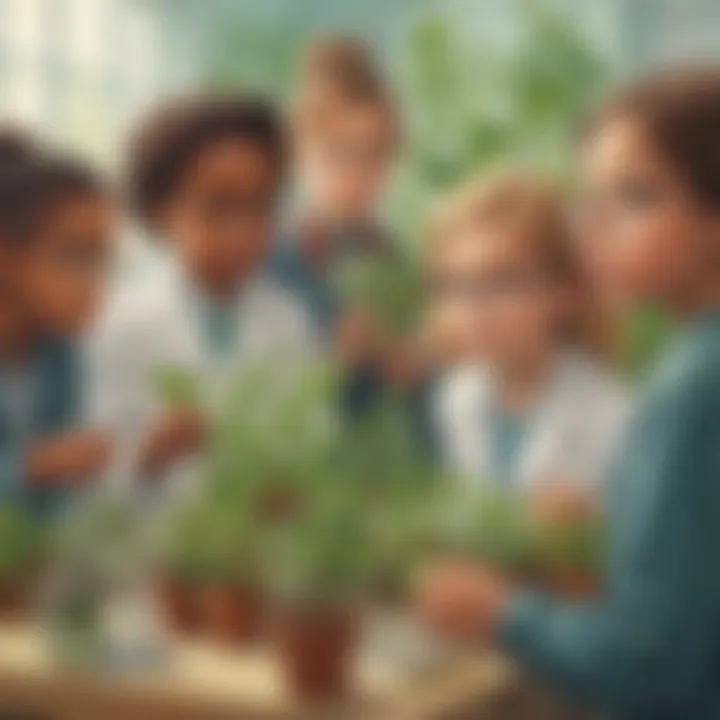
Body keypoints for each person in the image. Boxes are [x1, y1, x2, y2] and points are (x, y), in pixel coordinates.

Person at [417, 67, 720, 719]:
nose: (594, 226)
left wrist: (499, 609)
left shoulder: (689, 392)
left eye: (637, 196)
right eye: (594, 198)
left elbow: (651, 662)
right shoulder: (691, 365)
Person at [90, 94, 317, 497]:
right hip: (147, 543)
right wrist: (151, 448)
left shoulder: (288, 318)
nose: (243, 231)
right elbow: (85, 465)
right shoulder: (118, 321)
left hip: (260, 542)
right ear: (160, 211)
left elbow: (313, 434)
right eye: (219, 209)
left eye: (260, 207)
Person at [429, 172, 627, 498]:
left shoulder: (612, 416)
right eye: (454, 285)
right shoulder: (457, 398)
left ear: (565, 291)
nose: (473, 307)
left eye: (503, 281)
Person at [272, 36, 419, 419]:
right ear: (299, 153)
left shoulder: (393, 257)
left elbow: (411, 391)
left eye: (374, 155)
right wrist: (337, 359)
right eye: (337, 155)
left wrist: (407, 364)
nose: (357, 175)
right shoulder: (275, 258)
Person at [0, 149, 116, 516]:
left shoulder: (61, 354)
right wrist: (31, 468)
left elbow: (56, 509)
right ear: (8, 257)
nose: (93, 285)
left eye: (102, 263)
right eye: (75, 257)